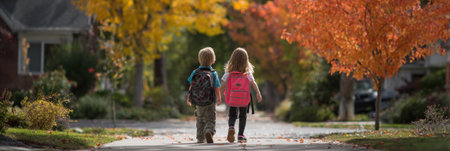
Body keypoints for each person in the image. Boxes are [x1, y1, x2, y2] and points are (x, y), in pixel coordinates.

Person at [221, 48, 262, 143]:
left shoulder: (229, 73)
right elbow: (253, 83)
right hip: (244, 98)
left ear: (232, 59)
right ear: (246, 60)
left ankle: (231, 127)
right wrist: (258, 92)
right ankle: (240, 135)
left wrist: (218, 95)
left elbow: (223, 85)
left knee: (232, 115)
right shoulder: (247, 73)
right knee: (243, 116)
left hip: (232, 98)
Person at [186, 47, 222, 143]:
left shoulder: (195, 72)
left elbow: (191, 86)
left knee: (200, 119)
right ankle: (209, 131)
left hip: (198, 101)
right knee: (210, 119)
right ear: (213, 60)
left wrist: (189, 97)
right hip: (210, 101)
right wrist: (219, 98)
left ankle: (200, 138)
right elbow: (216, 87)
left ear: (199, 59)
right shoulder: (213, 73)